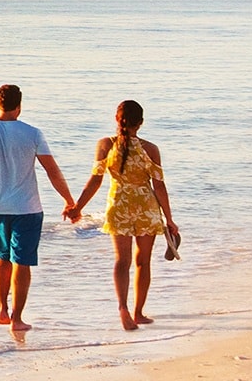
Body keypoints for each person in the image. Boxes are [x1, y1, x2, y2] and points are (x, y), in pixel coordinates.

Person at [0, 84, 76, 331]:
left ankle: (2, 309)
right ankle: (17, 318)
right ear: (19, 106)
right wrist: (69, 200)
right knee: (21, 262)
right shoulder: (33, 133)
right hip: (27, 208)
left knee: (2, 257)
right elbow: (52, 171)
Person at [64, 100, 177, 331]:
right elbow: (159, 187)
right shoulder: (151, 149)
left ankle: (122, 308)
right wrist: (170, 219)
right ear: (141, 123)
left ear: (117, 119)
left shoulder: (106, 144)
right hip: (146, 208)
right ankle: (138, 313)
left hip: (118, 207)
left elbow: (95, 181)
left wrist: (77, 207)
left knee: (121, 261)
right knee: (142, 262)